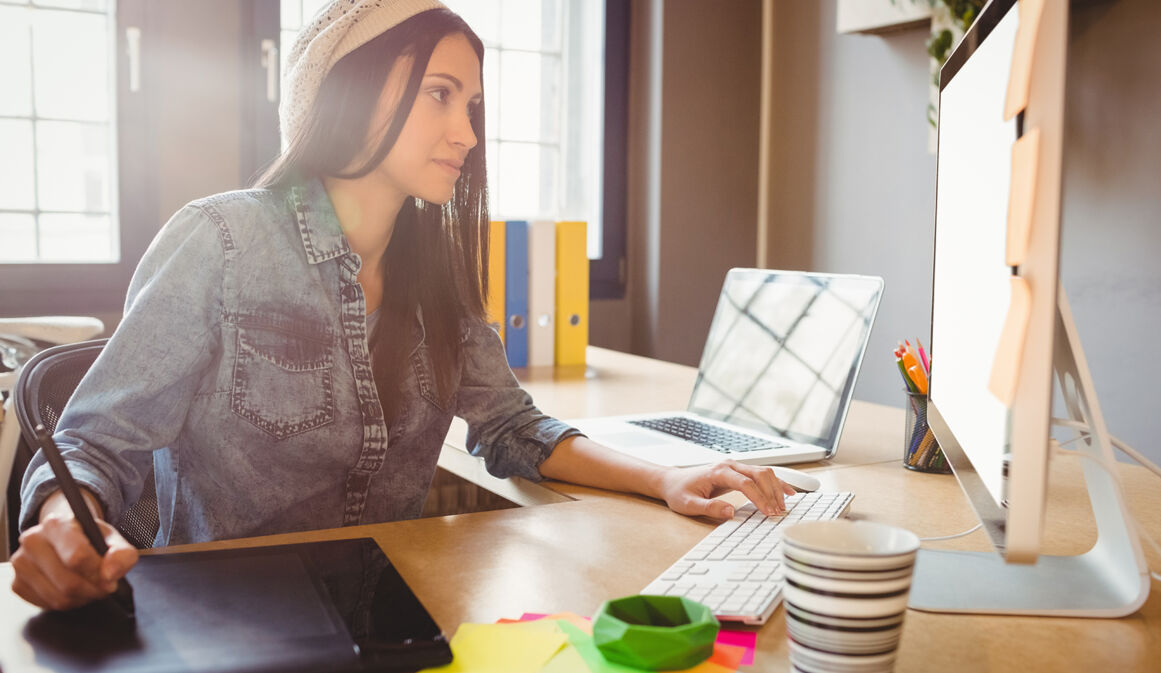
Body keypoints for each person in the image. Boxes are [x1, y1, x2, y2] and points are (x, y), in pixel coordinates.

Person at [11, 0, 795, 612]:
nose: (467, 133)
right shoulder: (219, 240)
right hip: (227, 617)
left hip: (385, 610)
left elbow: (514, 428)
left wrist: (666, 478)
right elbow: (93, 444)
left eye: (474, 107)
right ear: (351, 89)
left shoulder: (438, 276)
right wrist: (59, 520)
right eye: (440, 95)